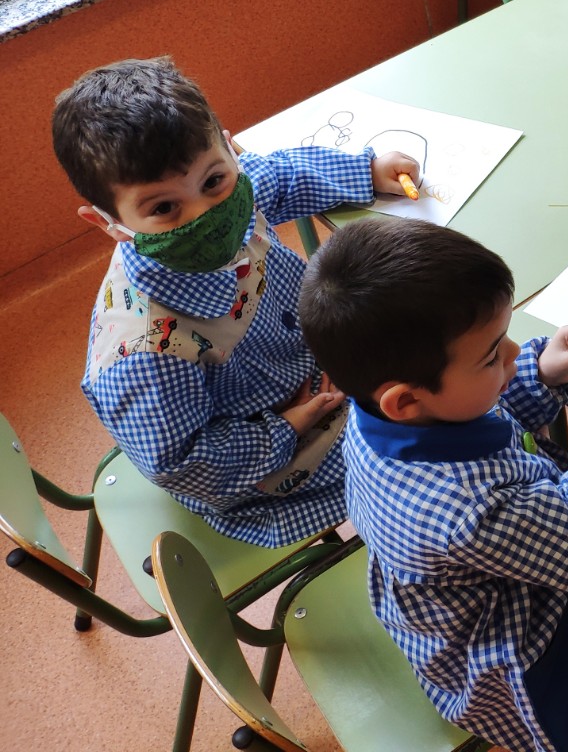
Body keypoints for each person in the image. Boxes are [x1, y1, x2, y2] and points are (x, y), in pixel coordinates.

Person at [298, 217, 568, 752]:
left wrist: (544, 370)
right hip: (516, 655)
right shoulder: (462, 512)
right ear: (405, 399)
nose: (514, 352)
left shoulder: (385, 415)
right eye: (491, 354)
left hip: (506, 573)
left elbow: (488, 415)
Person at [51, 57, 419, 545]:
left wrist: (365, 171)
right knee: (425, 436)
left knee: (433, 343)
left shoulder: (234, 193)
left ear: (229, 149)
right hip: (272, 450)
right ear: (108, 223)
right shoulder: (144, 356)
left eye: (213, 182)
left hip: (316, 359)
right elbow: (184, 464)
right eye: (164, 208)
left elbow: (281, 176)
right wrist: (287, 426)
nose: (206, 213)